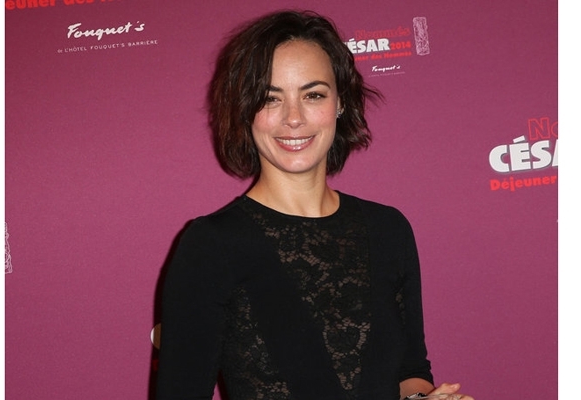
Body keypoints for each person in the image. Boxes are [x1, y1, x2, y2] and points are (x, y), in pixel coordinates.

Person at [155, 10, 474, 400]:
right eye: (270, 98)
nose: (293, 118)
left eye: (313, 95)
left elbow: (411, 372)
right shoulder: (211, 245)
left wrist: (424, 399)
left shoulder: (388, 230)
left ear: (340, 103)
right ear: (245, 110)